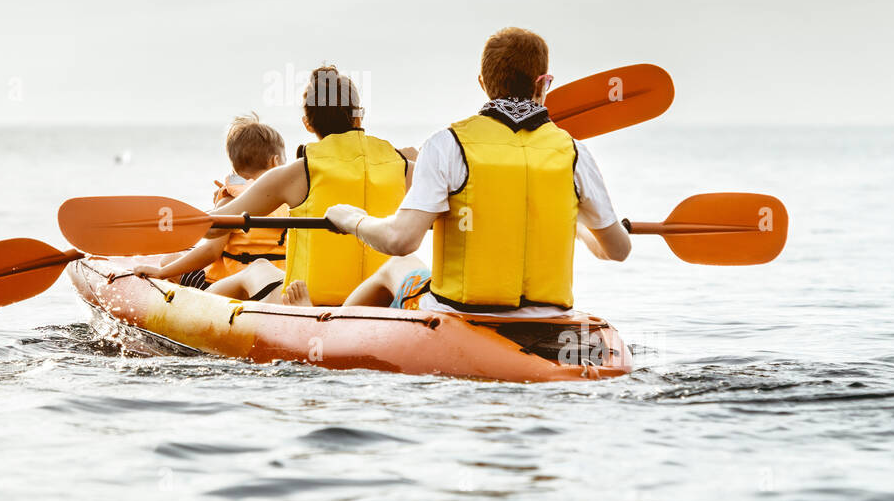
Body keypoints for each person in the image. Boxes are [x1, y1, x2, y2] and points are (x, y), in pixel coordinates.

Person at [293, 28, 631, 315]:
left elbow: (400, 240)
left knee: (397, 266)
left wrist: (351, 219)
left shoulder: (449, 144)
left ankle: (323, 324)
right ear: (544, 83)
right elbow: (617, 250)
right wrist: (578, 226)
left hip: (461, 316)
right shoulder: (574, 152)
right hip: (550, 317)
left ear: (482, 83)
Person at [192, 65, 414, 305]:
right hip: (379, 294)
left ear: (308, 123)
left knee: (259, 267)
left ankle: (192, 307)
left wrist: (216, 208)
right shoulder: (405, 167)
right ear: (359, 115)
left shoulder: (296, 173)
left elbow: (212, 229)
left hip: (311, 300)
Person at [132, 113, 289, 294]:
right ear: (275, 161)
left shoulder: (231, 198)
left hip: (226, 284)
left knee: (168, 259)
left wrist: (162, 272)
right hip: (276, 280)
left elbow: (210, 252)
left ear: (234, 166)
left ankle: (180, 299)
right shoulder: (290, 199)